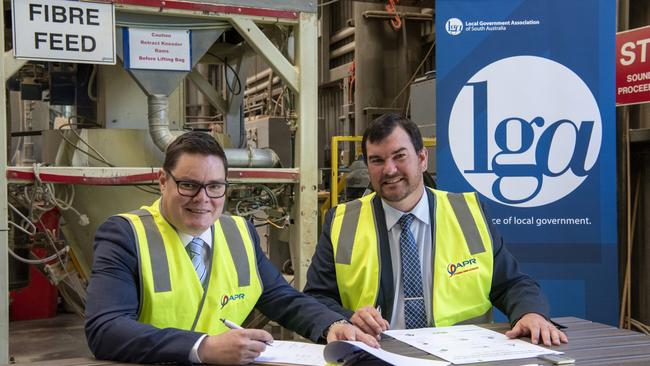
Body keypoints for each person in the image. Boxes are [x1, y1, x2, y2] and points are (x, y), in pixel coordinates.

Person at [85, 131, 377, 365]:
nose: (203, 199)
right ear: (163, 182)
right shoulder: (127, 235)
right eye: (188, 185)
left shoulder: (238, 233)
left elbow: (281, 297)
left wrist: (331, 325)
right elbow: (106, 329)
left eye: (215, 186)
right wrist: (203, 347)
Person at [304, 113, 568, 347]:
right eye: (377, 160)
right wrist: (347, 317)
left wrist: (530, 313)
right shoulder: (343, 222)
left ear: (422, 158)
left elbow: (510, 283)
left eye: (399, 156)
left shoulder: (467, 213)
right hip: (379, 353)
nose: (390, 169)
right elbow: (316, 297)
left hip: (462, 354)